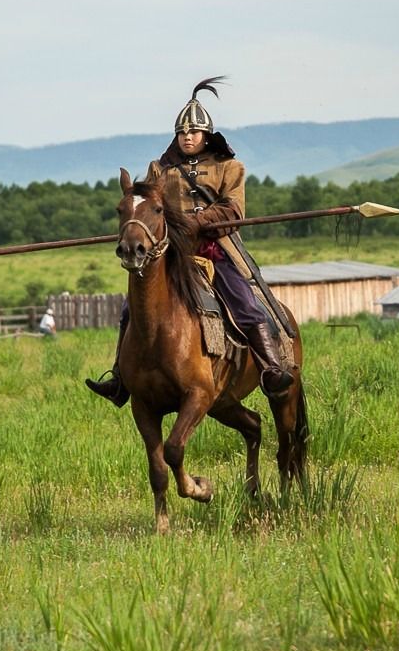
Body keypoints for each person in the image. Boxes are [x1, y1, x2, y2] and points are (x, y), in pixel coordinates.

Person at [86, 77, 294, 406]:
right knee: (132, 308)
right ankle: (120, 378)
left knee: (243, 303)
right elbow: (150, 206)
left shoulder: (229, 167)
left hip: (216, 248)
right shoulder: (160, 170)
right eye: (182, 133)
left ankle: (270, 368)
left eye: (194, 132)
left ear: (206, 135)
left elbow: (233, 209)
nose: (187, 138)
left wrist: (195, 223)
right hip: (170, 252)